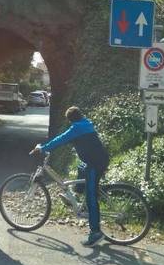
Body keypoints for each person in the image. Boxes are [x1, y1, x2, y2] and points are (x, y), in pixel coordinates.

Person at [30, 106, 110, 247]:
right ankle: (75, 195)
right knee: (81, 167)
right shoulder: (85, 123)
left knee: (91, 197)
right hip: (95, 160)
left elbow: (61, 139)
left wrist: (43, 148)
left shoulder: (77, 128)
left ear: (70, 120)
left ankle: (96, 232)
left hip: (95, 163)